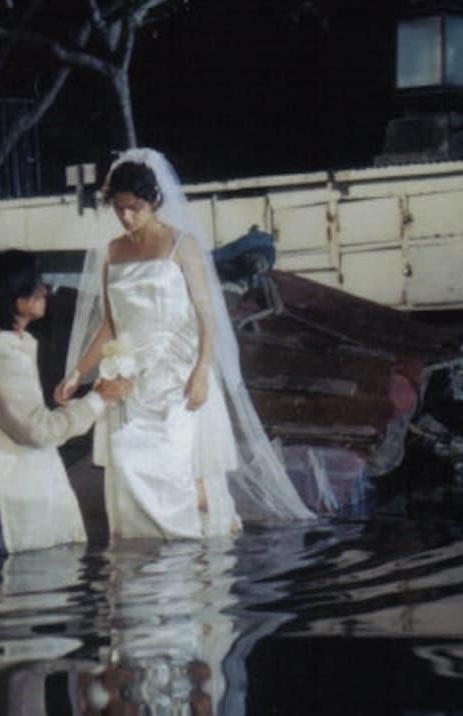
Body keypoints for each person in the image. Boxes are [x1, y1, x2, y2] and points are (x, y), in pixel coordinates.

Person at [55, 148, 314, 540]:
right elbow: (110, 322)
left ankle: (187, 556)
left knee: (175, 470)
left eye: (135, 207)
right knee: (128, 468)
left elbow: (207, 317)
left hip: (176, 372)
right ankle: (139, 563)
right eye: (119, 208)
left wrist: (201, 373)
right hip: (128, 376)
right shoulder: (113, 251)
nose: (126, 217)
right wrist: (76, 372)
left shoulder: (182, 245)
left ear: (155, 201)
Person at [0, 250, 130, 555]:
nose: (44, 290)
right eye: (35, 285)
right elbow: (39, 431)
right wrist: (98, 399)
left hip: (14, 509)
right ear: (13, 296)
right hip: (5, 517)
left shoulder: (8, 346)